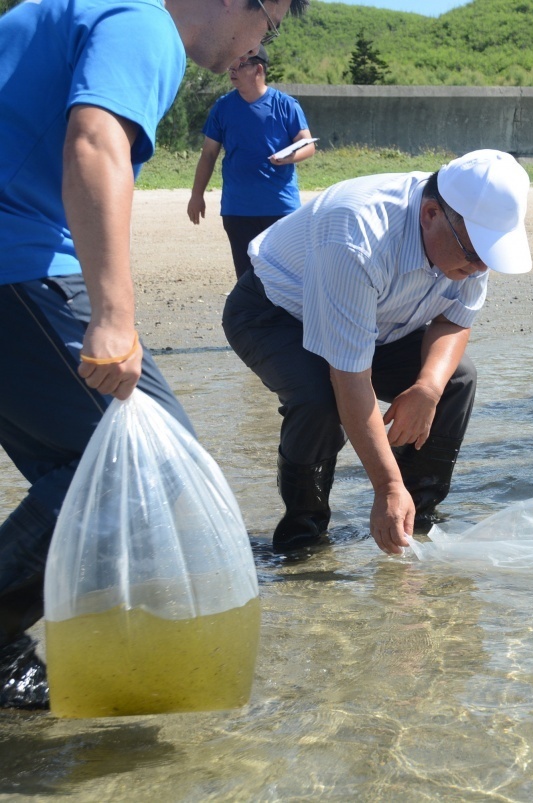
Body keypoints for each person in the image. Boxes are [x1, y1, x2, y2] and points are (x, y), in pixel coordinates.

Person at [0, 0, 308, 710]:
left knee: (84, 471)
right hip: (18, 263)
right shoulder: (145, 23)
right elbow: (94, 143)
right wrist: (113, 315)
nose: (262, 43)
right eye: (272, 23)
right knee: (155, 465)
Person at [222, 149, 532, 556]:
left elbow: (454, 320)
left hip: (381, 319)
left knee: (455, 380)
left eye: (489, 259)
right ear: (431, 214)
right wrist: (385, 485)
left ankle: (413, 521)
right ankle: (303, 537)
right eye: (474, 255)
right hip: (274, 313)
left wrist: (427, 390)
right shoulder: (358, 235)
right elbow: (349, 378)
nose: (478, 269)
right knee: (319, 400)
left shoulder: (467, 240)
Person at [188, 45, 316, 279]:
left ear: (258, 69)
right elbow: (208, 155)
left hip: (280, 209)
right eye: (231, 65)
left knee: (283, 279)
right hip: (238, 210)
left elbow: (308, 145)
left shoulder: (286, 105)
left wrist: (290, 157)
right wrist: (197, 195)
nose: (232, 70)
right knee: (247, 280)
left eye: (240, 65)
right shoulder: (223, 107)